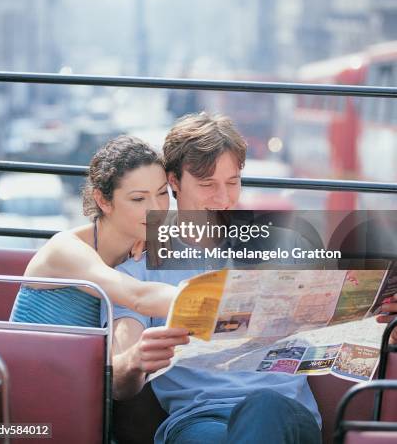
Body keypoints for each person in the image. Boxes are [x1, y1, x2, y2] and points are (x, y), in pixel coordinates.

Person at [104, 113, 323, 444]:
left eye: (232, 182)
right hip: (201, 420)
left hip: (285, 413)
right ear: (173, 183)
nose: (223, 199)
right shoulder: (138, 268)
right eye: (207, 185)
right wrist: (134, 360)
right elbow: (120, 383)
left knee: (263, 407)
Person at [10, 135, 176, 327]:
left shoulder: (139, 242)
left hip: (85, 356)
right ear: (103, 201)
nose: (156, 208)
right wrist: (214, 304)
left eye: (163, 193)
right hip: (28, 355)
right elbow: (138, 297)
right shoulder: (65, 248)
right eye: (138, 199)